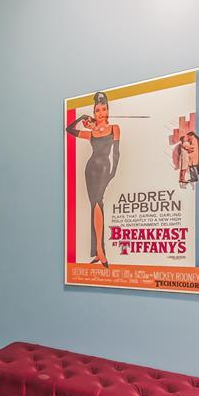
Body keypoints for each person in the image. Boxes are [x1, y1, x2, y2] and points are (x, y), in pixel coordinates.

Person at [66, 91, 120, 267]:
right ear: (94, 113)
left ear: (108, 111)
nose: (101, 113)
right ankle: (98, 251)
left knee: (97, 203)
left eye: (103, 109)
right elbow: (69, 130)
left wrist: (113, 172)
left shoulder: (114, 128)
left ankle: (99, 250)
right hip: (90, 170)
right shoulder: (91, 133)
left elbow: (116, 153)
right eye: (97, 110)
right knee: (95, 205)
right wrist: (81, 117)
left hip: (104, 169)